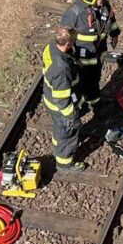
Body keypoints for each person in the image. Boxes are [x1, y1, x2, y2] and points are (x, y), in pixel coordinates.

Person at [60, 0, 120, 116]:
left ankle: (94, 103)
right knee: (82, 84)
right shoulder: (73, 14)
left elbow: (111, 21)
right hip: (82, 60)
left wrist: (115, 34)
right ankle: (80, 108)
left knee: (94, 80)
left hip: (97, 54)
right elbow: (64, 39)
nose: (102, 0)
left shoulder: (103, 6)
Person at [42, 27, 85, 171]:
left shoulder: (50, 47)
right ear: (68, 44)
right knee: (68, 132)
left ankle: (57, 145)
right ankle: (64, 162)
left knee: (60, 129)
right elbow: (62, 98)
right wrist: (71, 116)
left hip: (50, 99)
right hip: (61, 107)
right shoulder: (61, 69)